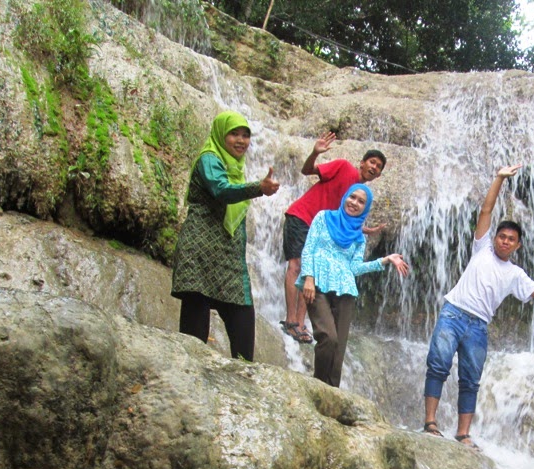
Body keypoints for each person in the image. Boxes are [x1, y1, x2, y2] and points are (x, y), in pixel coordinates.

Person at [423, 165, 534, 449]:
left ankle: (463, 434)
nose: (505, 241)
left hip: (478, 327)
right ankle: (430, 423)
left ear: (518, 246)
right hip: (454, 313)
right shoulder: (482, 249)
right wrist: (499, 178)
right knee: (438, 366)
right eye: (502, 236)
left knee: (470, 380)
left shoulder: (516, 274)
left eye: (511, 239)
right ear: (495, 238)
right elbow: (486, 211)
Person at [171, 111, 279, 361]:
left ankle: (244, 385)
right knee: (193, 341)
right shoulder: (209, 159)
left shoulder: (236, 169)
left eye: (246, 135)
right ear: (221, 134)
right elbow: (220, 190)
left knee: (243, 321)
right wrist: (257, 188)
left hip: (228, 258)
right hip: (199, 255)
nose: (241, 140)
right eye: (234, 134)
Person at [297, 183, 409, 387]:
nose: (354, 203)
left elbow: (355, 268)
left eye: (361, 202)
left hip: (345, 290)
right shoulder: (323, 217)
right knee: (328, 337)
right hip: (318, 285)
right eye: (352, 197)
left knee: (338, 351)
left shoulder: (358, 236)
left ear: (365, 209)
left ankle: (332, 395)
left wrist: (385, 260)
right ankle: (318, 387)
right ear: (345, 197)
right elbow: (309, 249)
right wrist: (309, 278)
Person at [281, 132, 387, 344]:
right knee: (298, 265)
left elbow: (343, 218)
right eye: (372, 162)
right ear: (362, 163)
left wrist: (365, 230)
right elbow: (306, 170)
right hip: (303, 217)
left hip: (320, 228)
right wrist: (314, 152)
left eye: (378, 167)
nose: (374, 167)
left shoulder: (359, 193)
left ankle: (301, 324)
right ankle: (291, 320)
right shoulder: (344, 167)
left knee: (313, 269)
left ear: (378, 175)